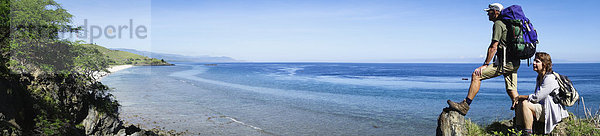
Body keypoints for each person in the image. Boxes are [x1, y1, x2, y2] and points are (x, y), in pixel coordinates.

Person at [447, 3, 521, 115]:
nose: (488, 14)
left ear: (496, 11)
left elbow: (493, 47)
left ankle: (465, 105)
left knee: (476, 75)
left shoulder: (499, 23)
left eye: (489, 11)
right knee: (512, 90)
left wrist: (486, 64)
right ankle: (522, 115)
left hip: (506, 63)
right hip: (514, 62)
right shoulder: (508, 24)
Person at [513, 52, 569, 135]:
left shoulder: (550, 78)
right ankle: (518, 128)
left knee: (525, 103)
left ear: (545, 64)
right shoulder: (540, 77)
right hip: (544, 107)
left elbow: (537, 97)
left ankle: (528, 132)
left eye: (537, 61)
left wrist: (520, 96)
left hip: (551, 111)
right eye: (534, 61)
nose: (534, 63)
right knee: (521, 102)